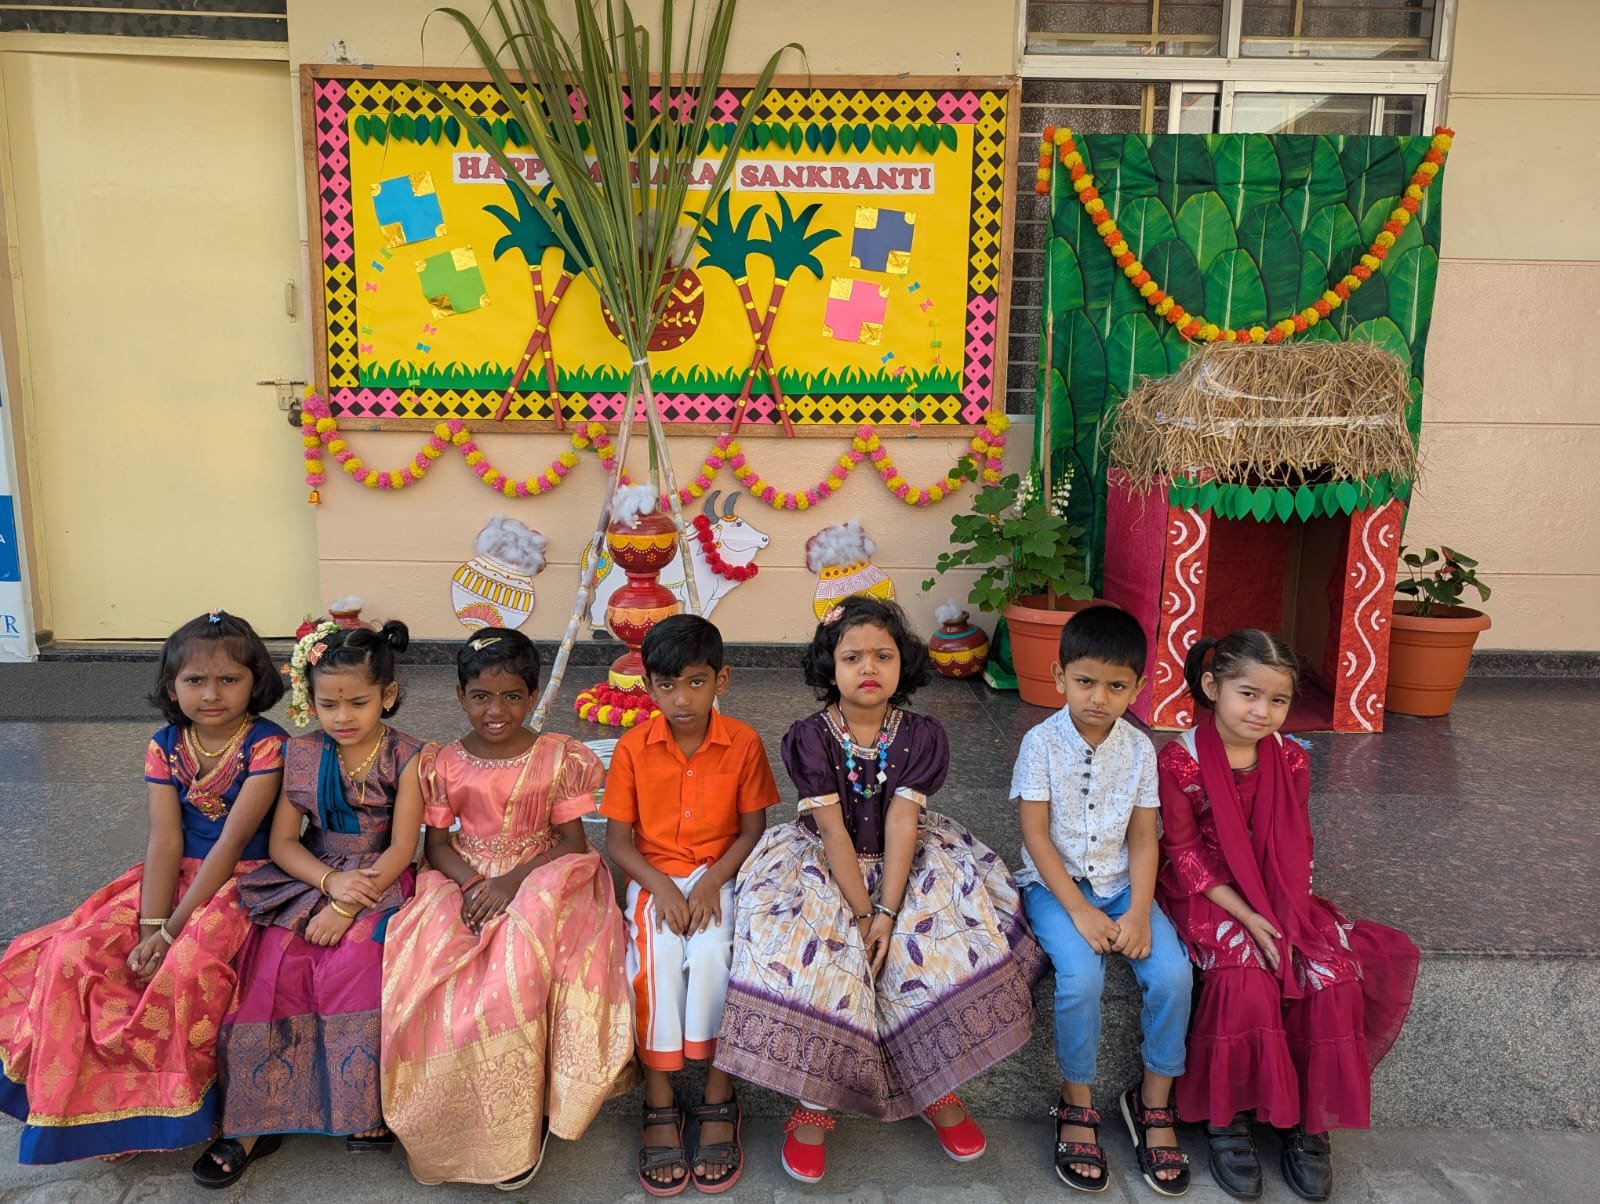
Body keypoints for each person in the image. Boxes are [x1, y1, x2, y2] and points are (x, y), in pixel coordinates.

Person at [715, 596, 1043, 1185]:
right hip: (823, 863)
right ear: (829, 668)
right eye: (852, 657)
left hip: (907, 861)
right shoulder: (809, 738)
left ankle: (938, 1082)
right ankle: (813, 1104)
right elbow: (834, 832)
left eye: (883, 656)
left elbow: (901, 822)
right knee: (824, 959)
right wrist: (863, 916)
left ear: (903, 663)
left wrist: (888, 912)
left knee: (934, 944)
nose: (869, 667)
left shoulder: (922, 734)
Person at [0, 611, 286, 1164]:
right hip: (169, 877)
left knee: (185, 967)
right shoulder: (165, 745)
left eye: (229, 679)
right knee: (73, 952)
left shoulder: (267, 745)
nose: (211, 694)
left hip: (239, 881)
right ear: (171, 687)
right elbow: (164, 841)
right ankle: (92, 1107)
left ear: (256, 682)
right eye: (195, 680)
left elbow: (230, 844)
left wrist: (172, 933)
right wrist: (149, 925)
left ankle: (162, 1108)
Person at [1157, 630, 1419, 1203]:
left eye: (1277, 700)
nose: (1262, 711)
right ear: (1212, 687)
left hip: (1279, 891)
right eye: (1248, 694)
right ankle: (1228, 1117)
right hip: (1208, 892)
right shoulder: (1181, 760)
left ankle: (1307, 1118)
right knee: (1243, 975)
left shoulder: (1292, 758)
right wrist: (1250, 918)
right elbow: (1184, 852)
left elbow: (1297, 841)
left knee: (1328, 973)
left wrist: (1289, 914)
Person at [380, 628, 636, 1189]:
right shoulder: (443, 763)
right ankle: (455, 1121)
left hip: (543, 870)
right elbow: (437, 846)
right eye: (481, 697)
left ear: (533, 695)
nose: (496, 711)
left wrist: (512, 882)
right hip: (461, 873)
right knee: (433, 964)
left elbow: (573, 841)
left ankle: (527, 1113)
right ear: (460, 696)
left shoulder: (558, 757)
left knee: (519, 958)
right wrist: (474, 883)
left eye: (512, 696)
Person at [194, 620, 423, 1188]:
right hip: (312, 875)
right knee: (273, 959)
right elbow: (283, 843)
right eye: (328, 704)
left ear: (387, 696)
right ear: (309, 699)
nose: (342, 717)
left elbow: (402, 847)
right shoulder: (300, 753)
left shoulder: (410, 756)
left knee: (357, 960)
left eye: (358, 703)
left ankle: (360, 1109)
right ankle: (254, 1121)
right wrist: (328, 885)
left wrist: (347, 906)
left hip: (380, 878)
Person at [1012, 605, 1192, 1197]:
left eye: (1117, 686)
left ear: (1139, 688)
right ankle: (1076, 1100)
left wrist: (1138, 911)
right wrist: (1079, 910)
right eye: (1086, 681)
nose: (1099, 697)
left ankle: (1152, 1102)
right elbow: (1036, 836)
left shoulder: (1140, 750)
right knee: (1081, 977)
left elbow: (1143, 837)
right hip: (1054, 888)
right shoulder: (1040, 743)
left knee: (1173, 974)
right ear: (1059, 676)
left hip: (1122, 888)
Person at [603, 615, 779, 1197]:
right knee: (654, 959)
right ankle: (658, 1100)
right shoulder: (632, 748)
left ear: (721, 680)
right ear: (648, 687)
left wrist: (710, 883)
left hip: (719, 872)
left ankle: (718, 1094)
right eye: (668, 685)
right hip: (654, 876)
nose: (682, 699)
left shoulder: (743, 743)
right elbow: (619, 842)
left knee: (712, 956)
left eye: (697, 683)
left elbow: (752, 829)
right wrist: (661, 887)